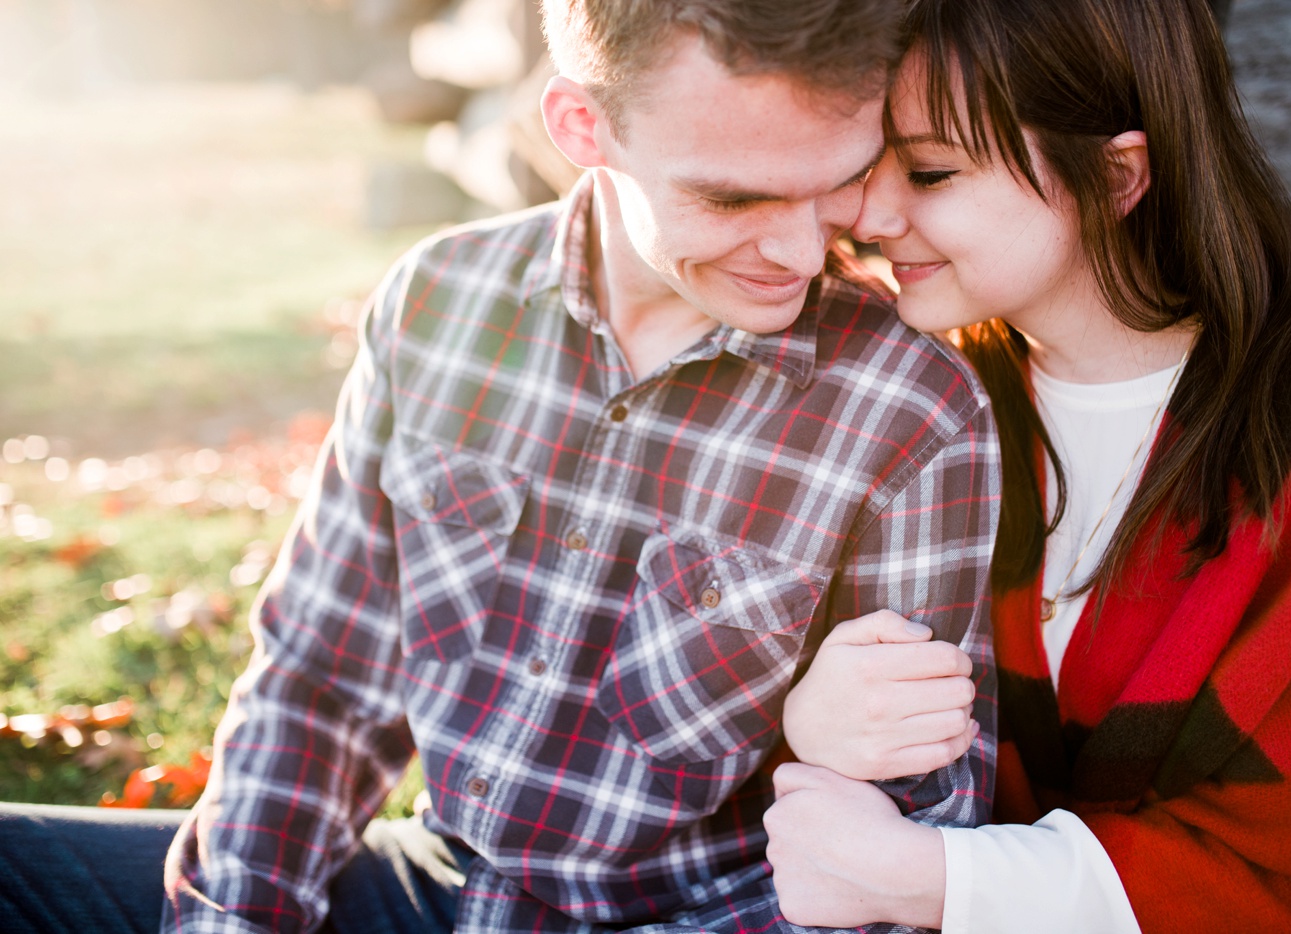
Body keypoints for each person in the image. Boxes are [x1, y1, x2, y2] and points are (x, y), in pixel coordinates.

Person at [0, 2, 1002, 933]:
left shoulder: (910, 412)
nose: (795, 249)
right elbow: (322, 684)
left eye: (835, 182)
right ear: (580, 127)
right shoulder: (437, 303)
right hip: (435, 881)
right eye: (732, 196)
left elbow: (906, 851)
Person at [767, 0, 1291, 931]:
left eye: (931, 170)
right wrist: (810, 723)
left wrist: (938, 878)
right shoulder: (915, 394)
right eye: (867, 165)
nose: (866, 214)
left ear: (1114, 175)